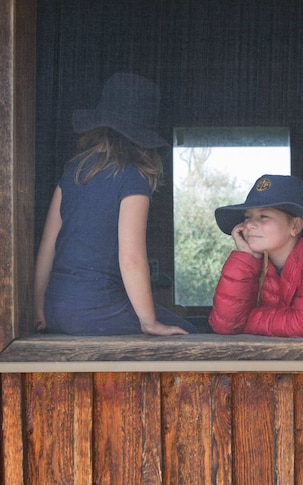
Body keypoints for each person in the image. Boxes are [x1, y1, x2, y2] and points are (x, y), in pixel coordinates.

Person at [34, 73, 196, 336]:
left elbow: (48, 246)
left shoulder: (73, 172)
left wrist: (38, 305)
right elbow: (131, 259)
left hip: (55, 308)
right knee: (191, 333)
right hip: (96, 310)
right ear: (144, 137)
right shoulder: (133, 179)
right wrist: (149, 322)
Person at [209, 174, 303, 337]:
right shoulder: (256, 260)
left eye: (263, 216)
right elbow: (224, 325)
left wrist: (244, 321)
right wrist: (244, 258)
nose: (249, 224)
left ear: (296, 225)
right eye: (247, 217)